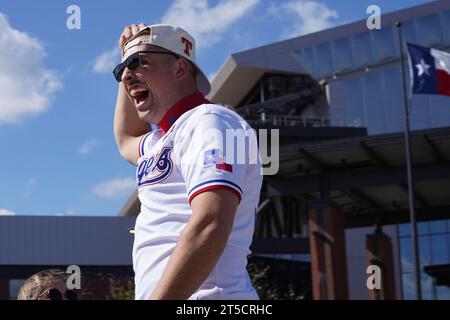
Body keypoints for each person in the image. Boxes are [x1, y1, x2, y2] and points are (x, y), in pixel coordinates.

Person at [113, 23, 262, 300]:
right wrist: (126, 59)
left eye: (136, 63)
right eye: (120, 72)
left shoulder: (211, 121)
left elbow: (211, 221)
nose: (126, 77)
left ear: (180, 68)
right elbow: (125, 139)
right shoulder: (162, 138)